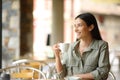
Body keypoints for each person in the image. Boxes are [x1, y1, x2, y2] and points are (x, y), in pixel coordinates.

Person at [52, 12, 110, 80]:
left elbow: (103, 72)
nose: (75, 30)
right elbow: (61, 74)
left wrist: (78, 76)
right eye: (75, 26)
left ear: (90, 27)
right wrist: (57, 56)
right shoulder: (70, 47)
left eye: (79, 25)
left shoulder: (102, 46)